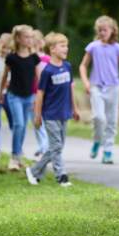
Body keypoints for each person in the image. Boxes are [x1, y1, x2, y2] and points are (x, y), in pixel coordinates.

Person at [26, 32, 80, 187]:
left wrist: (75, 109)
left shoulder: (67, 67)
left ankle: (34, 171)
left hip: (65, 113)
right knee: (56, 146)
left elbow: (70, 89)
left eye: (66, 45)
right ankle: (61, 176)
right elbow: (40, 94)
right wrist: (37, 115)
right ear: (52, 49)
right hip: (50, 114)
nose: (66, 48)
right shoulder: (47, 71)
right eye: (62, 46)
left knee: (57, 147)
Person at [79, 15, 119, 164]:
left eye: (105, 30)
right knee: (99, 117)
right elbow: (83, 65)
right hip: (96, 87)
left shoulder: (117, 48)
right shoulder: (93, 46)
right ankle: (97, 140)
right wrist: (86, 83)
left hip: (113, 87)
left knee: (112, 121)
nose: (102, 33)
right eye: (99, 30)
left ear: (112, 30)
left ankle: (108, 150)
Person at [0, 24, 40, 171]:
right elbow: (5, 75)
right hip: (14, 96)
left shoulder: (34, 57)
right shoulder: (11, 58)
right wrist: (0, 93)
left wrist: (40, 96)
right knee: (19, 125)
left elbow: (39, 77)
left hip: (29, 97)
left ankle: (18, 156)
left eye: (31, 37)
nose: (30, 40)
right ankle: (14, 158)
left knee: (23, 128)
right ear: (18, 38)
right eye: (26, 37)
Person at [31, 29, 50, 157]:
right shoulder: (30, 58)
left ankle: (45, 146)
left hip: (46, 92)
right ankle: (43, 145)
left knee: (44, 119)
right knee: (37, 120)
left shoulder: (47, 59)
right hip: (33, 92)